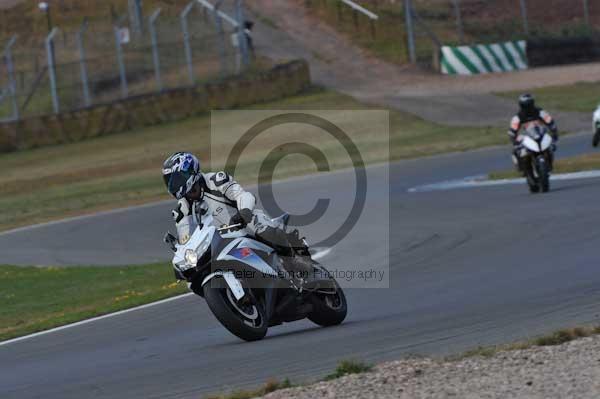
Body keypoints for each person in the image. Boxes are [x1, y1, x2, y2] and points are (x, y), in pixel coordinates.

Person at [161, 152, 311, 269]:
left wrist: (244, 212)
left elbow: (242, 195)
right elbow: (186, 238)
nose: (173, 185)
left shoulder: (215, 181)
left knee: (264, 232)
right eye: (170, 181)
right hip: (218, 245)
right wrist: (181, 247)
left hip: (245, 225)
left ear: (190, 172)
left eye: (176, 179)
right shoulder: (181, 211)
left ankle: (298, 263)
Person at [508, 94, 558, 171]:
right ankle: (522, 167)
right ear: (521, 105)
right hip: (527, 138)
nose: (528, 107)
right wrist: (515, 141)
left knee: (551, 147)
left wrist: (554, 132)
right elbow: (512, 131)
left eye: (529, 104)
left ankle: (549, 163)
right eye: (526, 105)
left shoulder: (540, 112)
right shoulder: (518, 117)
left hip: (540, 134)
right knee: (517, 151)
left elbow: (550, 122)